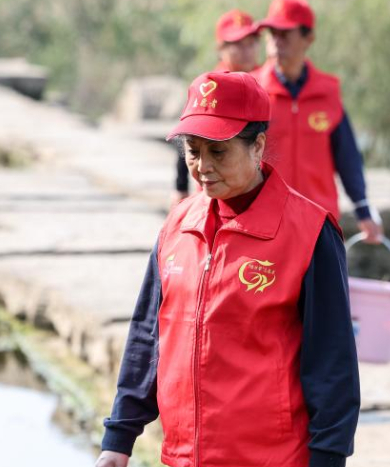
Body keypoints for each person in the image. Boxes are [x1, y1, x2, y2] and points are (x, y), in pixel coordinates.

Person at [97, 71, 360, 467]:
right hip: (183, 458)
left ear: (257, 146)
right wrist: (118, 438)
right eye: (192, 150)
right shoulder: (178, 226)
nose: (202, 166)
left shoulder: (309, 234)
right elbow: (148, 337)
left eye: (218, 152)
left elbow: (332, 362)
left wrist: (328, 457)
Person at [253, 0, 383, 243]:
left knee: (320, 283)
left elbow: (347, 157)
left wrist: (362, 208)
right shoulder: (252, 89)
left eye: (284, 34)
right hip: (263, 220)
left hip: (318, 221)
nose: (275, 41)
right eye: (272, 33)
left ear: (308, 39)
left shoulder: (328, 93)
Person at [171, 9, 261, 207]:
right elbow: (187, 136)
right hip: (212, 190)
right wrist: (180, 187)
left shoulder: (266, 86)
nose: (246, 50)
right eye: (238, 44)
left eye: (251, 43)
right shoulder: (208, 88)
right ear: (220, 48)